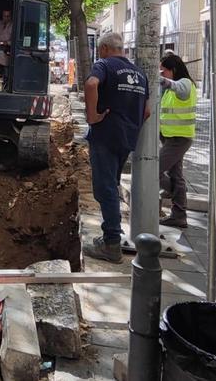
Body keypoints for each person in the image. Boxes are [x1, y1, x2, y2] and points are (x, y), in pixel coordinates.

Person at [83, 32, 149, 263]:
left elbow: (91, 84)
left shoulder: (103, 64)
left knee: (105, 189)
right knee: (112, 185)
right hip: (127, 138)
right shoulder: (140, 73)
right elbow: (147, 111)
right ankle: (111, 236)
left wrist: (93, 117)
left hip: (105, 135)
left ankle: (111, 243)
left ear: (103, 49)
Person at [159, 54, 196, 229]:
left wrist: (156, 78)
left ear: (173, 69)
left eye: (163, 70)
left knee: (152, 171)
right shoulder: (169, 91)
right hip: (170, 138)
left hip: (178, 139)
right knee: (177, 176)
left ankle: (177, 191)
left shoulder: (185, 84)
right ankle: (179, 215)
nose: (162, 74)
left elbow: (176, 86)